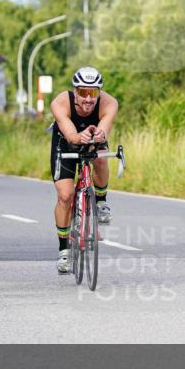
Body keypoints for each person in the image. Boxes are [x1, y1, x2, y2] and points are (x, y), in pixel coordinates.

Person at [49, 66, 118, 274]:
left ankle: (101, 201)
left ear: (100, 93)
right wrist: (79, 137)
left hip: (92, 139)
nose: (88, 99)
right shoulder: (60, 102)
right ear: (75, 91)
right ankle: (64, 250)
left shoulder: (109, 103)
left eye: (94, 93)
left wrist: (99, 136)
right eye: (83, 92)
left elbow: (104, 129)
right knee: (65, 195)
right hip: (65, 142)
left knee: (100, 158)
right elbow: (70, 134)